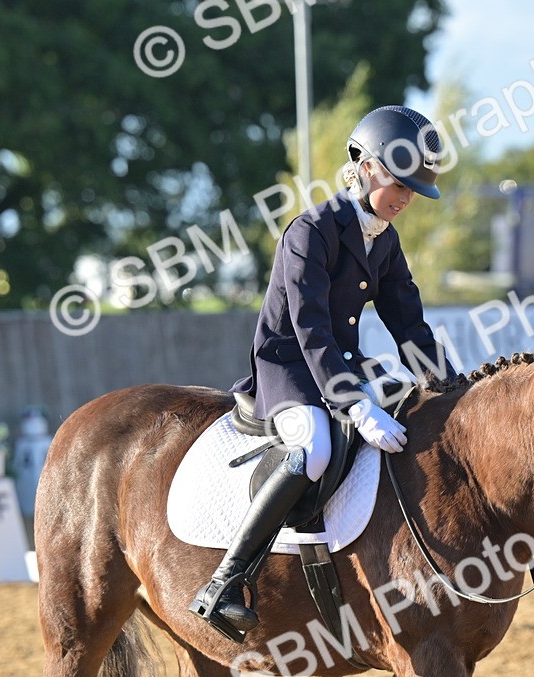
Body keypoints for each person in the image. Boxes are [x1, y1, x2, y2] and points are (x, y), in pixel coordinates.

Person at [189, 105, 457, 640]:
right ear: (365, 167)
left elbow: (410, 326)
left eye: (413, 190)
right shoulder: (310, 232)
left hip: (340, 366)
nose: (406, 199)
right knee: (313, 445)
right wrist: (355, 405)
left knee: (412, 407)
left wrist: (450, 389)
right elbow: (310, 332)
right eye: (400, 185)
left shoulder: (384, 240)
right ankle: (224, 582)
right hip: (288, 368)